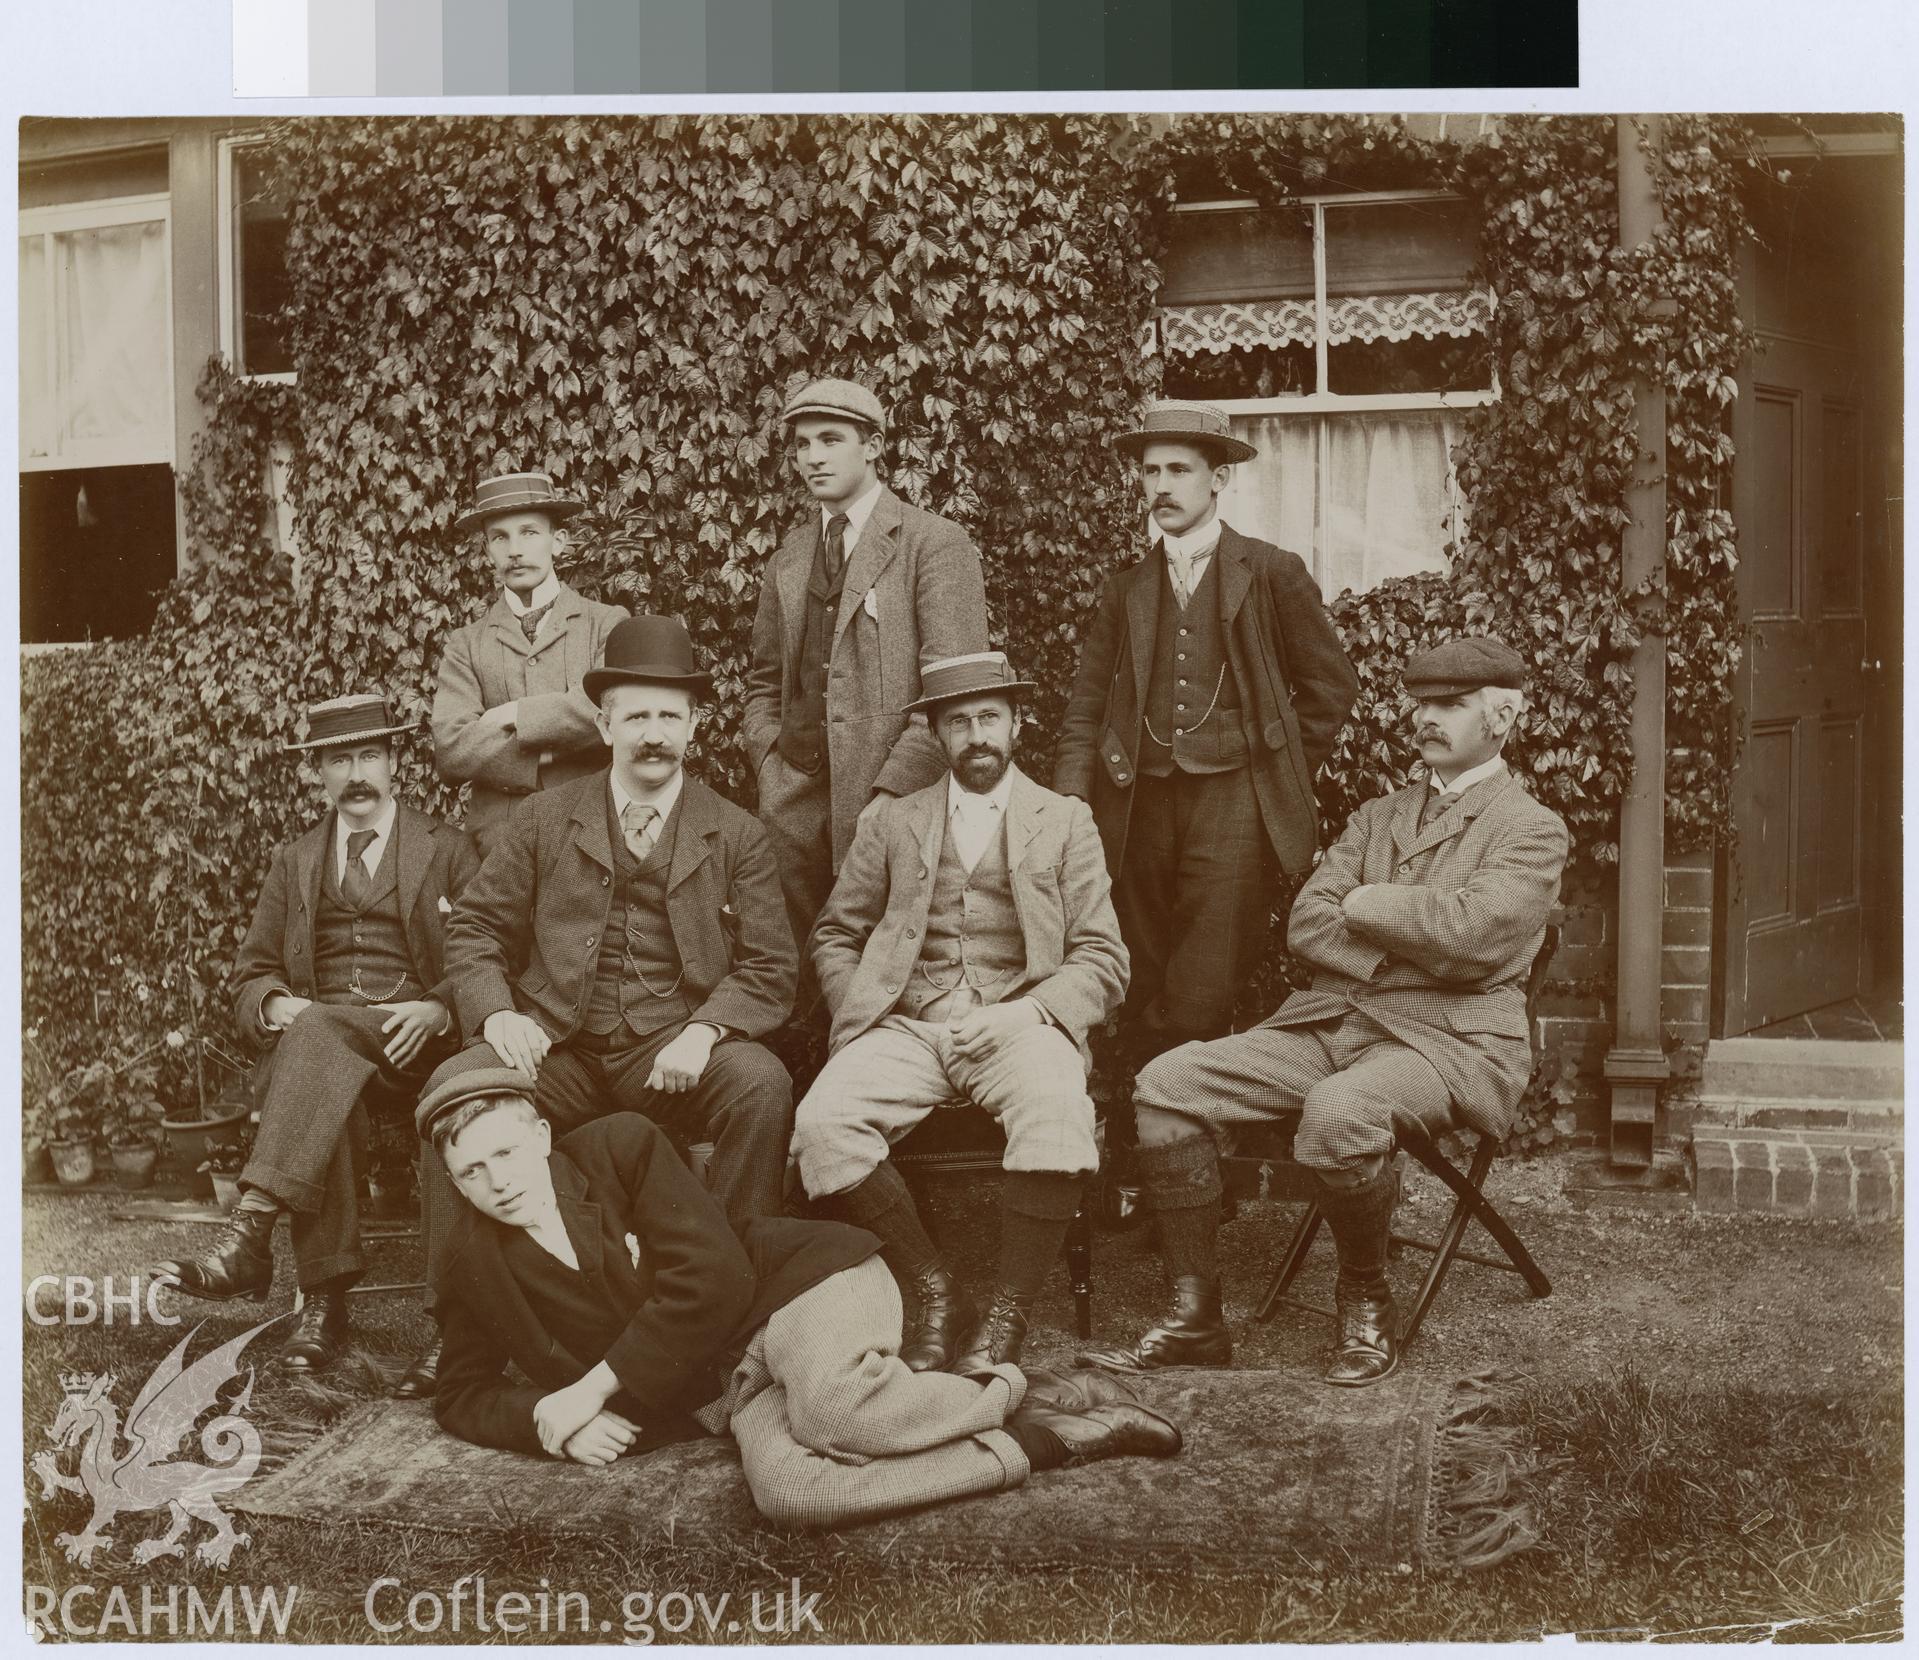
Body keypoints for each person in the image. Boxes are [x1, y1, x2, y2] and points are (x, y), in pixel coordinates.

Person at [1079, 638, 1569, 1388]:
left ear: (1502, 715)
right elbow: (1306, 923)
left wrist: (1366, 904)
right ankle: (1193, 1318)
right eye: (1421, 703)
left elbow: (1474, 937)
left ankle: (1364, 1297)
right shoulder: (1379, 817)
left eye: (1450, 705)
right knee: (1167, 1082)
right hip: (1334, 1019)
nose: (1426, 718)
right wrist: (1406, 943)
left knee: (1340, 1115)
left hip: (1449, 1041)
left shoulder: (1528, 827)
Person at [421, 1067, 1180, 1528]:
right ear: (453, 1183)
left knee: (832, 1414)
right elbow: (460, 1392)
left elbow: (714, 1279)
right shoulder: (470, 1260)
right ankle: (1044, 1435)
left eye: (505, 1152)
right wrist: (549, 1426)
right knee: (791, 1495)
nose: (498, 1182)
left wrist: (589, 1389)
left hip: (795, 1290)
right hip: (728, 1384)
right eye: (471, 1173)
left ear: (543, 1135)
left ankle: (1014, 1385)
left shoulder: (619, 1145)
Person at [792, 652, 1129, 1375]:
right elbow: (835, 932)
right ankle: (934, 1289)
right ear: (936, 736)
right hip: (907, 1024)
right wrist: (867, 1005)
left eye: (988, 718)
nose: (976, 735)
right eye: (957, 723)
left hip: (1018, 1024)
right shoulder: (891, 819)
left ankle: (1004, 1314)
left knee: (1056, 1109)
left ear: (1016, 725)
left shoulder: (1065, 820)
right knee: (822, 1126)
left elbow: (1103, 955)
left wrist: (1029, 1015)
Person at [153, 694, 479, 1392]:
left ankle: (255, 1237)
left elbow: (488, 954)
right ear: (318, 774)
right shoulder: (294, 859)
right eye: (339, 760)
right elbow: (251, 975)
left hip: (420, 1047)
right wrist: (274, 1004)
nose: (356, 774)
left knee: (316, 1044)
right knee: (316, 1046)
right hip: (327, 1046)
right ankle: (324, 1309)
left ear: (394, 763)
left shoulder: (448, 848)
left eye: (368, 756)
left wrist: (437, 1007)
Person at [435, 613, 797, 1239]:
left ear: (694, 727)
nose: (652, 735)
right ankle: (465, 1314)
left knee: (760, 1083)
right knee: (456, 1087)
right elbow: (475, 927)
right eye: (635, 717)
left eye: (668, 717)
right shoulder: (546, 818)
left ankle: (735, 1287)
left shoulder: (737, 833)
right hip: (556, 1049)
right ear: (604, 724)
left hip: (669, 1048)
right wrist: (497, 1014)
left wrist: (707, 1030)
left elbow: (771, 967)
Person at [1054, 399, 1358, 1069]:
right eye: (1149, 471)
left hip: (1233, 805)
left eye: (1178, 471)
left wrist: (1272, 770)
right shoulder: (1125, 588)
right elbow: (1083, 706)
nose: (1159, 486)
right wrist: (1074, 797)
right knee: (1135, 968)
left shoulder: (1271, 572)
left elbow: (1330, 689)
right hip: (1136, 803)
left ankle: (1184, 1116)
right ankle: (1147, 1138)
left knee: (1201, 986)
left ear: (1218, 479)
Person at [741, 377, 990, 965]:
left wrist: (892, 791)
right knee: (797, 966)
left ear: (874, 445)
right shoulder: (792, 554)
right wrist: (770, 759)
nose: (813, 457)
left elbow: (956, 691)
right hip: (792, 798)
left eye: (831, 439)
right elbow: (764, 679)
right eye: (802, 444)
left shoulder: (934, 543)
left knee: (886, 962)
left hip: (891, 799)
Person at [432, 471, 629, 850]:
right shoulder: (465, 644)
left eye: (529, 532)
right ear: (487, 550)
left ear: (558, 542)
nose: (514, 550)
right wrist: (558, 746)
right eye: (499, 537)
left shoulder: (606, 623)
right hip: (498, 847)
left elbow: (612, 712)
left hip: (594, 834)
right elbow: (453, 750)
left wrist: (516, 714)